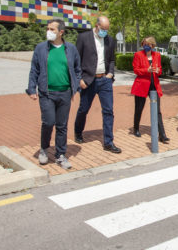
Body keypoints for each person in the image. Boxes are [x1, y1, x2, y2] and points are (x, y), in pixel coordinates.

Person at [26, 18, 81, 170]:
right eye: (48, 28)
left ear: (61, 32)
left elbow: (77, 69)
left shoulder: (70, 49)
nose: (48, 32)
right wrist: (32, 89)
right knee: (49, 122)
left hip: (65, 93)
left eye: (52, 29)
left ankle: (60, 155)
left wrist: (75, 87)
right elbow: (34, 70)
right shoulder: (41, 48)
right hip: (47, 93)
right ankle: (44, 149)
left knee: (62, 125)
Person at [73, 15, 121, 153]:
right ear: (97, 25)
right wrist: (79, 79)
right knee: (83, 109)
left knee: (108, 111)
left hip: (105, 80)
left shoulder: (110, 40)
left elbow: (111, 60)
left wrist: (110, 74)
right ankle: (78, 131)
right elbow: (76, 60)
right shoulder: (83, 38)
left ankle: (108, 142)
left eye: (107, 29)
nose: (105, 31)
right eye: (103, 29)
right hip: (88, 80)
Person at [131, 36, 170, 143]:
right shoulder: (138, 55)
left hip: (154, 86)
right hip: (141, 85)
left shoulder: (157, 55)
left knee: (157, 111)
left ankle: (162, 135)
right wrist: (146, 70)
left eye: (148, 44)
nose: (145, 46)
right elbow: (136, 70)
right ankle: (136, 128)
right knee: (139, 108)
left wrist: (158, 71)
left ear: (152, 45)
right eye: (144, 44)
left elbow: (160, 70)